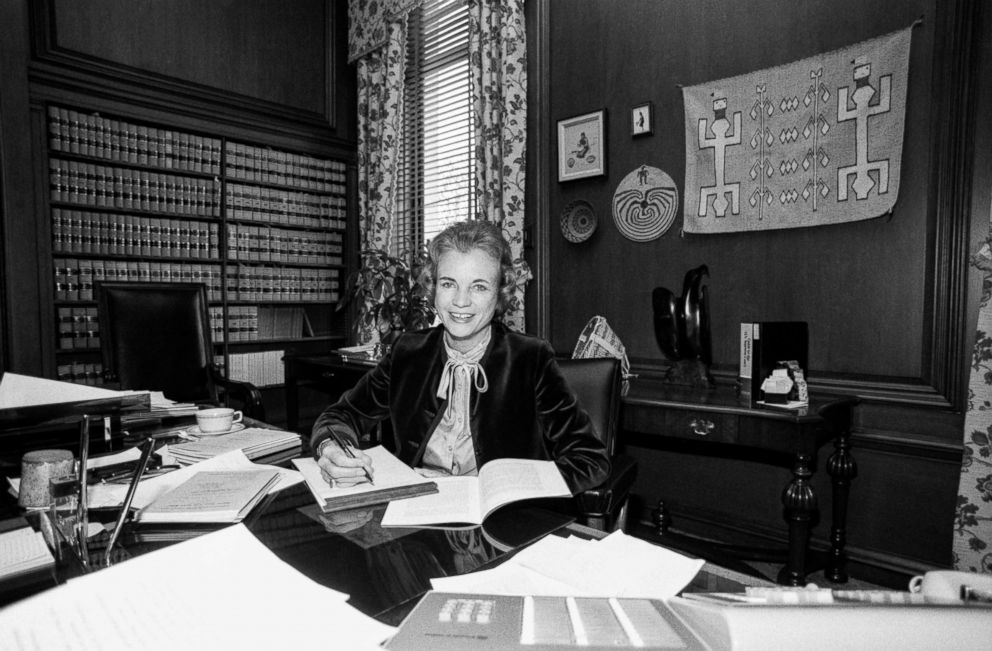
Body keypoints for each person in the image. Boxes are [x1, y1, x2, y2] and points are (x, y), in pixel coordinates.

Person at [312, 219, 610, 494]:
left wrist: (507, 487)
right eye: (448, 283)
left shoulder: (530, 359)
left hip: (500, 521)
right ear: (433, 287)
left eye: (478, 286)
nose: (460, 301)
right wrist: (331, 448)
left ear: (500, 293)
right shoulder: (408, 352)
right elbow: (341, 415)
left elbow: (590, 460)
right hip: (415, 520)